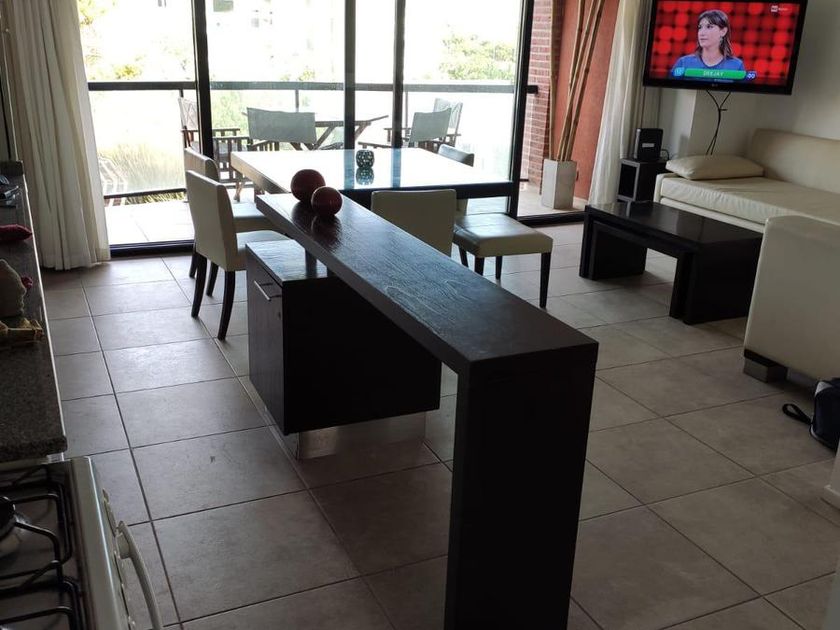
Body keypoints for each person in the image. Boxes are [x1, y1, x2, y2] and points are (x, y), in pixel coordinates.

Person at [671, 9, 745, 77]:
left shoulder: (736, 66)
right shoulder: (684, 63)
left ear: (723, 31)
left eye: (709, 27)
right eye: (700, 27)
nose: (701, 33)